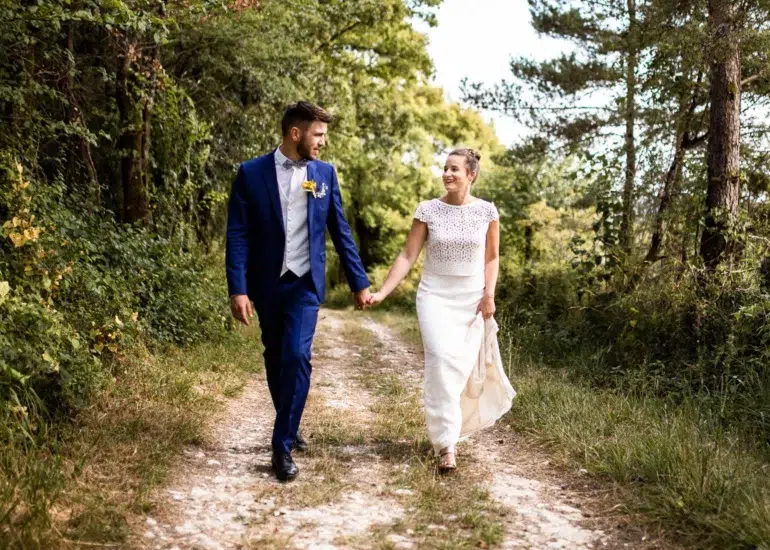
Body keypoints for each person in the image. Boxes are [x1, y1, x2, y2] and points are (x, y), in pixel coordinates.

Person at [225, 101, 371, 481]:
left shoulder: (324, 174)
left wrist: (359, 282)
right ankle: (289, 423)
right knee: (275, 356)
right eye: (318, 134)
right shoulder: (251, 173)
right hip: (266, 283)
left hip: (305, 283)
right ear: (296, 134)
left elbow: (340, 230)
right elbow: (238, 235)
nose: (322, 142)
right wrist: (237, 289)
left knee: (297, 356)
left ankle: (282, 444)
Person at [367, 148, 516, 471]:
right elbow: (408, 255)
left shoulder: (487, 212)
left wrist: (489, 295)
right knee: (439, 363)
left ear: (470, 175)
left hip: (471, 299)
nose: (447, 174)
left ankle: (453, 429)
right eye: (445, 168)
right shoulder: (428, 210)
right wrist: (382, 292)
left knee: (459, 370)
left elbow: (492, 258)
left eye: (455, 169)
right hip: (434, 295)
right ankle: (446, 444)